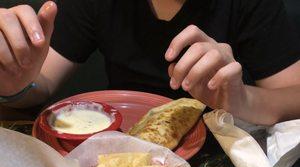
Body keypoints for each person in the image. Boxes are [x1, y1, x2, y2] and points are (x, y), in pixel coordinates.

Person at [0, 0, 299, 125]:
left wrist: (242, 98)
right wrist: (14, 84)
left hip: (218, 150)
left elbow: (294, 94)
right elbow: (41, 81)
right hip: (116, 144)